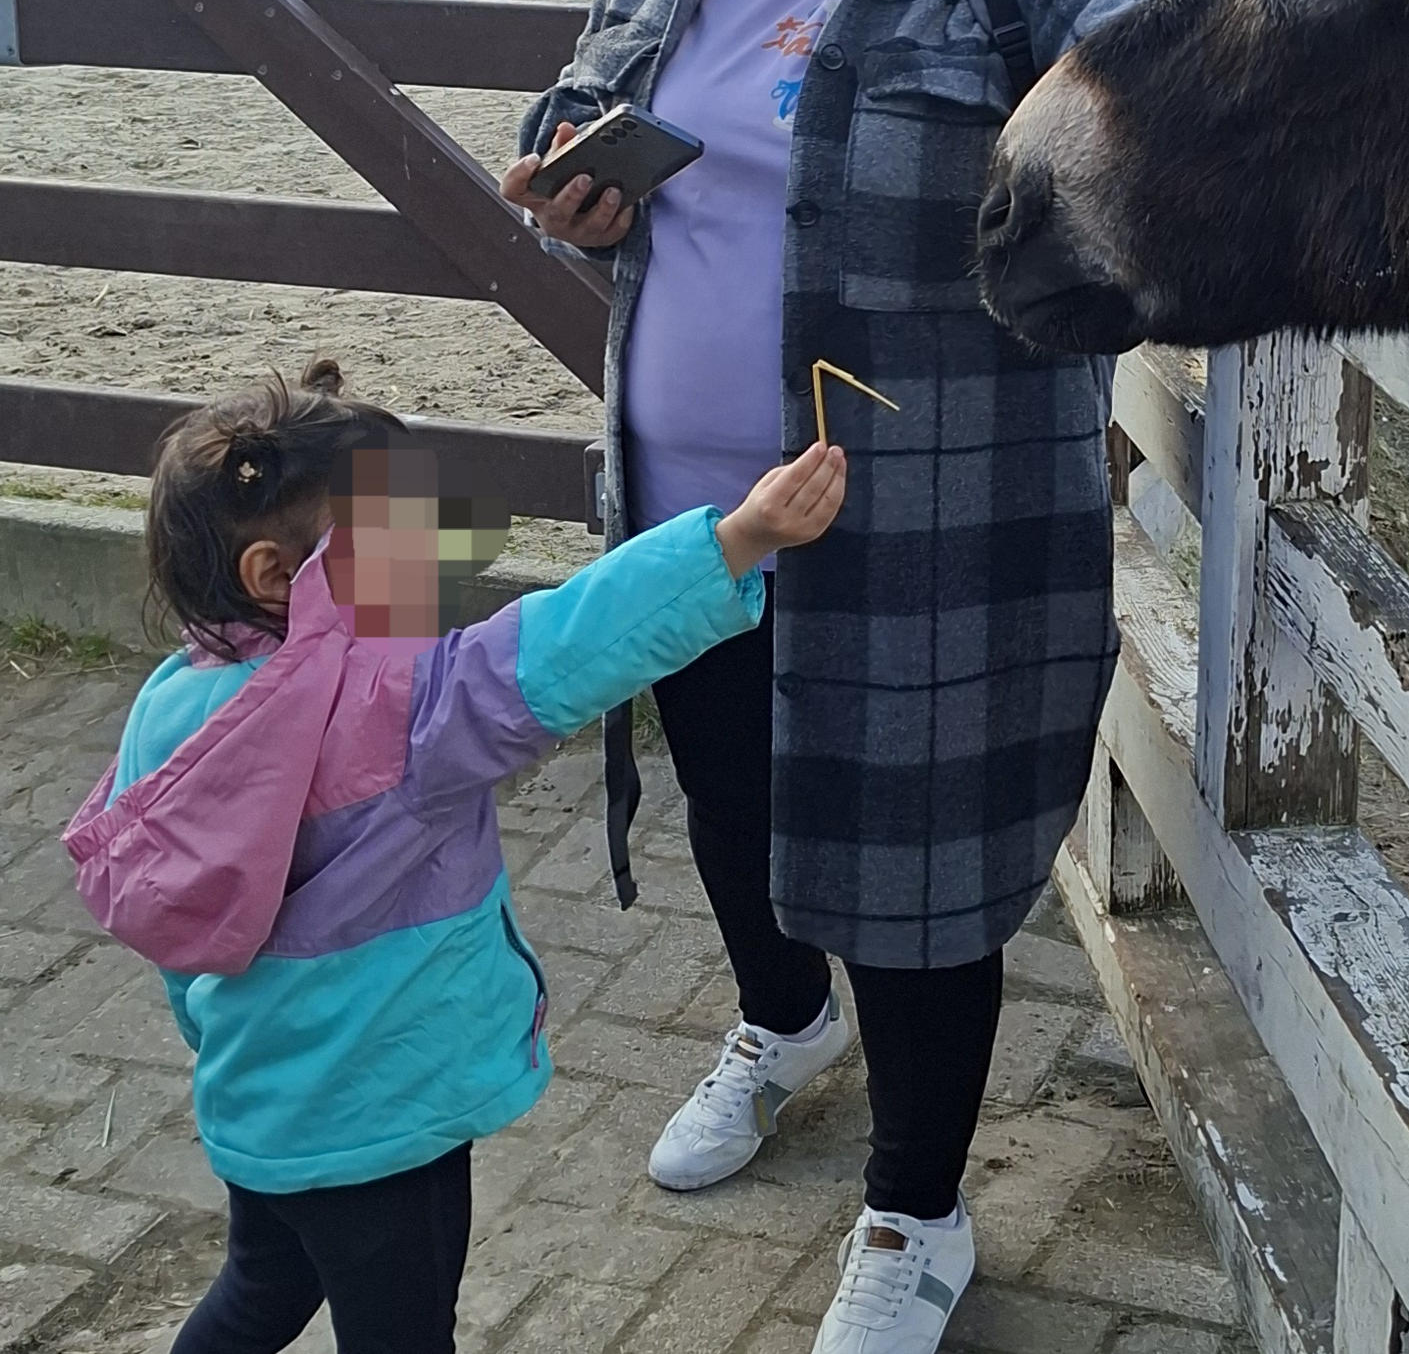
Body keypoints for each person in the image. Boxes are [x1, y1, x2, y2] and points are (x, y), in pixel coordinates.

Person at [501, 0, 1160, 1354]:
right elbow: (595, 81)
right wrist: (577, 173)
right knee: (732, 806)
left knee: (919, 866)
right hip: (691, 499)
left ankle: (917, 1211)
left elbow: (1155, 50)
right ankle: (781, 1026)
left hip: (924, 512)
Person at [65, 358, 847, 1354]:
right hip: (385, 1125)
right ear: (274, 575)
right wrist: (737, 541)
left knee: (260, 1289)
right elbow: (569, 641)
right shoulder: (402, 711)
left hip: (260, 1107)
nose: (423, 547)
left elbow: (183, 935)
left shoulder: (170, 707)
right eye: (386, 534)